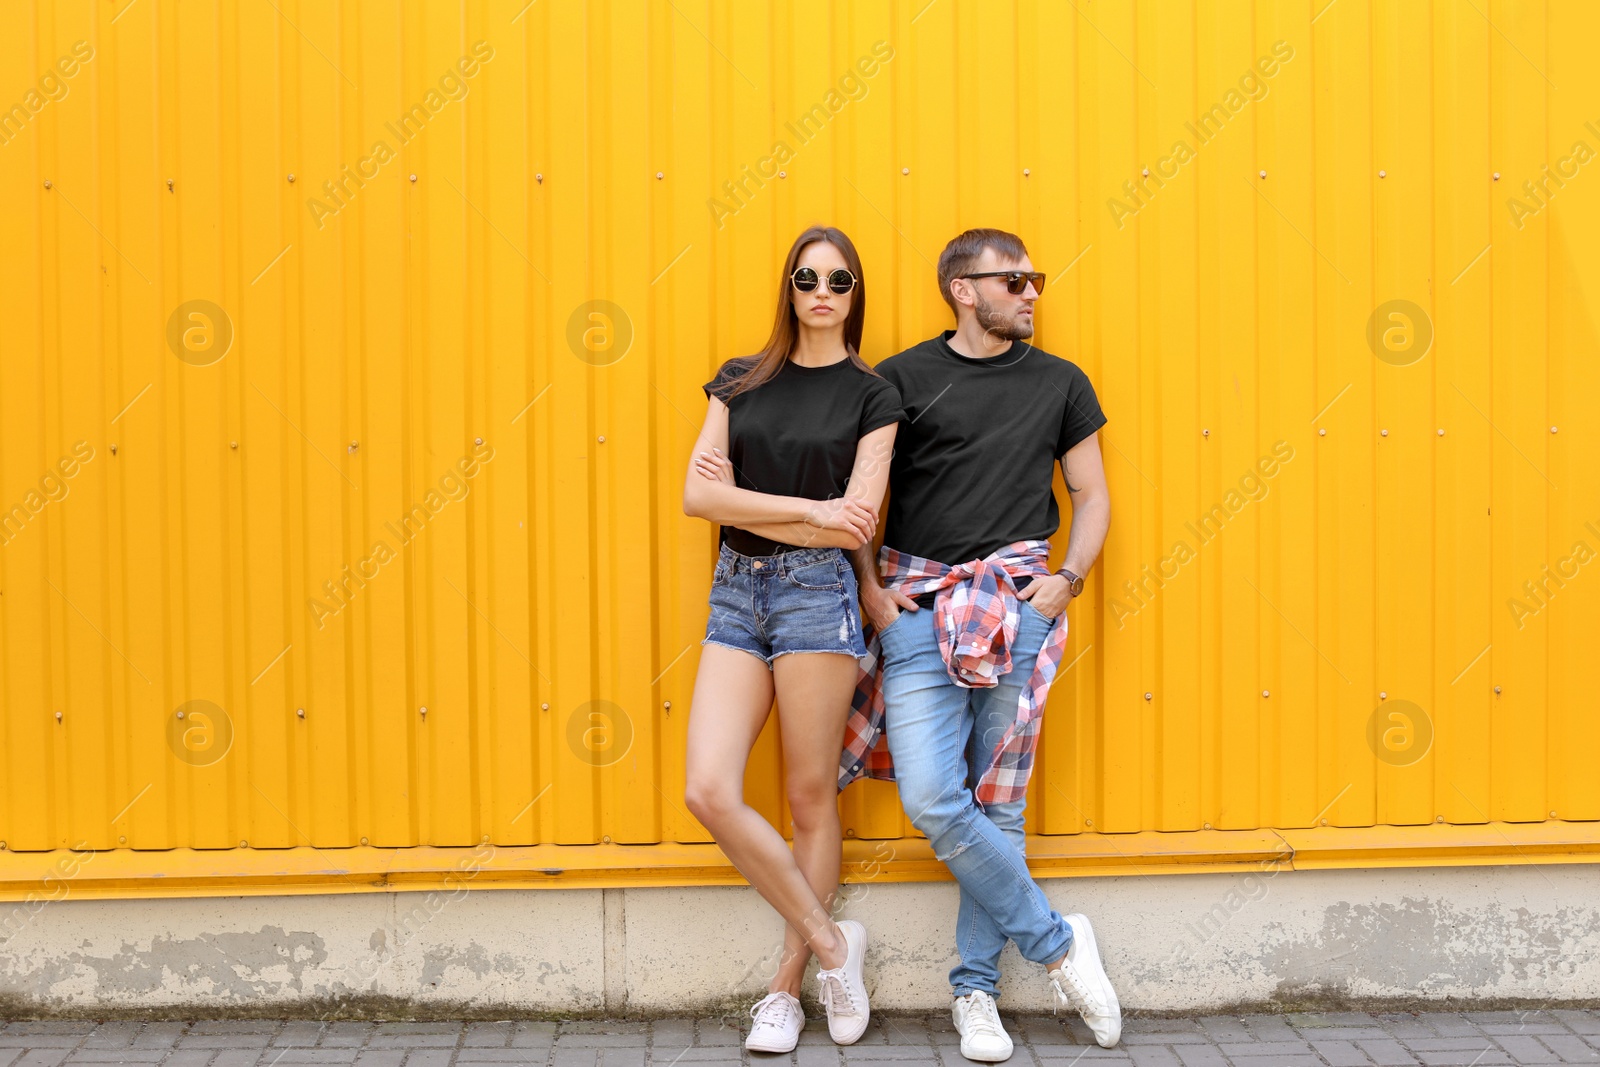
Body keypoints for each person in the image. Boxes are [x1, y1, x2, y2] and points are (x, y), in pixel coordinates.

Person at [840, 228, 1120, 1062]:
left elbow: (1092, 491)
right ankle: (1059, 944)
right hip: (920, 605)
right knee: (936, 796)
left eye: (1035, 280)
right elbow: (863, 493)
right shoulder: (900, 379)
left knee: (998, 802)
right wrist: (872, 589)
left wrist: (1068, 577)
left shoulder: (1062, 382)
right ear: (964, 289)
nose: (1034, 293)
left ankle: (975, 994)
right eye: (1017, 280)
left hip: (1020, 599)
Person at [682, 225, 902, 1053]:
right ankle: (836, 945)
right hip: (737, 594)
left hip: (819, 601)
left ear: (854, 294)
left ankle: (786, 987)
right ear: (789, 285)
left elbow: (862, 515)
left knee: (810, 797)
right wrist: (809, 510)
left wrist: (761, 501)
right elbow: (700, 501)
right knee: (708, 788)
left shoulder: (873, 396)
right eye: (807, 276)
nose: (821, 290)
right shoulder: (740, 381)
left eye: (839, 280)